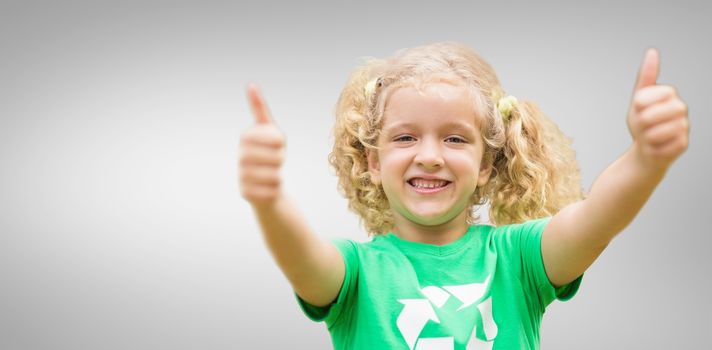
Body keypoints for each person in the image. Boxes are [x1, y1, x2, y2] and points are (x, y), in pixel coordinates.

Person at [238, 42, 689, 349]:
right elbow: (301, 260)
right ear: (373, 163)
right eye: (405, 138)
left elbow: (597, 218)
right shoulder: (356, 273)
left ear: (485, 165)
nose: (430, 156)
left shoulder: (519, 260)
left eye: (455, 139)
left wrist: (646, 158)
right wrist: (269, 200)